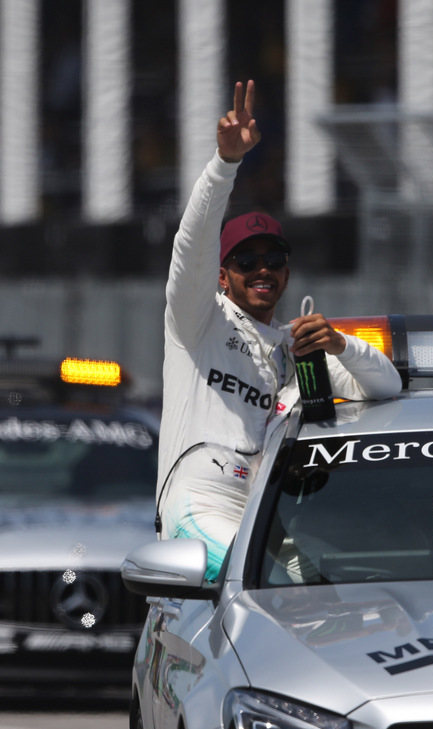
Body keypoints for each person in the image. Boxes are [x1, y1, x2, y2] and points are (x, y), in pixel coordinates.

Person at [156, 80, 402, 581]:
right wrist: (224, 165)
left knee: (319, 596)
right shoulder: (197, 320)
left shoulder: (301, 347)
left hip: (266, 510)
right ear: (222, 276)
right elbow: (191, 246)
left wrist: (339, 343)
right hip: (198, 498)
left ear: (288, 274)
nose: (261, 269)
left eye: (274, 260)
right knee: (265, 587)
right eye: (245, 261)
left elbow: (387, 387)